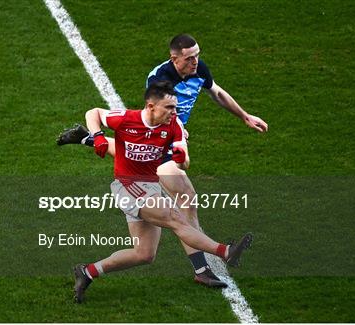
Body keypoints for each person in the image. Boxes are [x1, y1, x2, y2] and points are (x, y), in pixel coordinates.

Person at [58, 34, 267, 288]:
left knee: (145, 252)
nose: (196, 62)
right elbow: (152, 112)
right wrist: (176, 128)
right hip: (157, 144)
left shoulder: (198, 68)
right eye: (190, 58)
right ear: (175, 58)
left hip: (169, 138)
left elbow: (216, 92)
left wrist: (244, 116)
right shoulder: (160, 79)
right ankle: (211, 261)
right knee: (181, 204)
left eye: (197, 55)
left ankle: (89, 271)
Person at [74, 80, 252, 303]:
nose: (174, 112)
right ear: (151, 107)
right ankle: (226, 251)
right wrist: (98, 137)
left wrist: (181, 159)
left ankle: (87, 271)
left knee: (144, 254)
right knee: (175, 218)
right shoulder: (126, 118)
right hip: (127, 185)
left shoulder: (174, 125)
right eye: (169, 107)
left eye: (175, 107)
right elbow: (94, 113)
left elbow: (184, 160)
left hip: (150, 186)